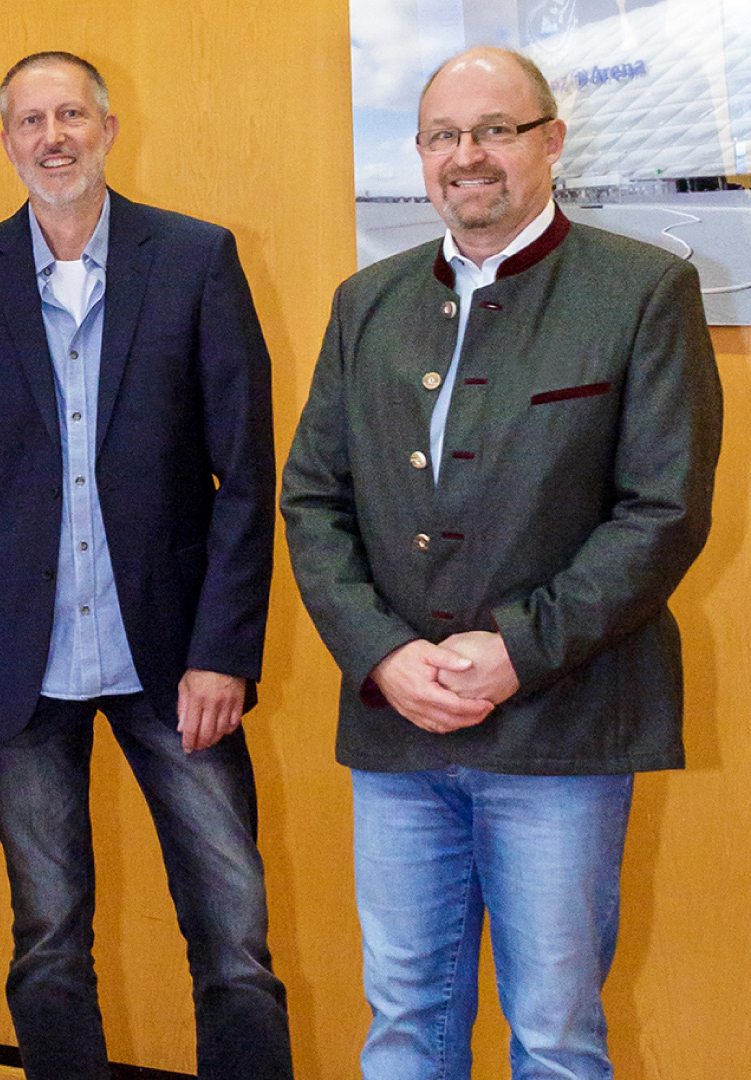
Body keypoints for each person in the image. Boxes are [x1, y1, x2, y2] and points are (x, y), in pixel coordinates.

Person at [282, 47, 722, 1079]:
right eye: (444, 135)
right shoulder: (368, 303)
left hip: (561, 731)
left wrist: (517, 651)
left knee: (557, 1035)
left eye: (495, 130)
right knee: (401, 1027)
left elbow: (661, 513)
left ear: (552, 141)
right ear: (422, 154)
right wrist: (384, 654)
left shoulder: (644, 290)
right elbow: (313, 500)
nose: (467, 156)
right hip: (394, 733)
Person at [0, 51, 291, 1080]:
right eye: (29, 121)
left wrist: (223, 654)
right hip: (22, 670)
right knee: (48, 949)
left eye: (70, 115)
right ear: (9, 141)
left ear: (107, 126)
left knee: (234, 946)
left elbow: (248, 473)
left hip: (175, 665)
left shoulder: (195, 259)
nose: (51, 137)